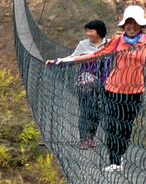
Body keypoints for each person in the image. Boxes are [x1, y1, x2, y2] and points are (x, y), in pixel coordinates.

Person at [69, 5, 146, 172]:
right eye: (129, 22)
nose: (132, 26)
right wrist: (64, 61)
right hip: (113, 89)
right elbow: (97, 53)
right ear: (124, 25)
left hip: (134, 92)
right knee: (112, 125)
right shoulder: (117, 40)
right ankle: (114, 161)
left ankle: (120, 155)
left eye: (135, 22)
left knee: (126, 127)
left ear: (141, 25)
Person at [46, 19, 108, 149]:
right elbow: (73, 57)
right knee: (86, 109)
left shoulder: (109, 44)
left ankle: (91, 137)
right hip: (85, 81)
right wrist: (57, 61)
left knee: (97, 110)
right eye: (87, 31)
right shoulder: (83, 45)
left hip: (103, 83)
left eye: (91, 30)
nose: (88, 34)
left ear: (99, 32)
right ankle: (84, 139)